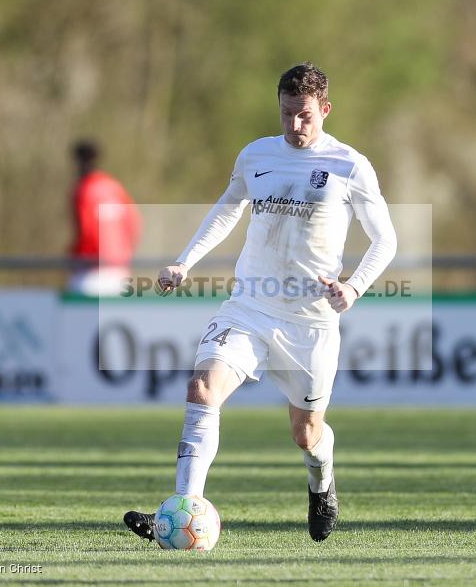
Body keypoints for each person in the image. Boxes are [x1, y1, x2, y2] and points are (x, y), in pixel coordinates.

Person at [124, 63, 396, 542]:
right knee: (202, 388)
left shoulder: (350, 165)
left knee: (306, 434)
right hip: (250, 306)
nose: (294, 126)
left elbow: (385, 240)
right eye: (287, 114)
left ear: (325, 110)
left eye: (305, 116)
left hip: (310, 321)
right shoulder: (256, 155)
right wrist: (184, 262)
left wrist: (353, 287)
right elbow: (226, 211)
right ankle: (183, 507)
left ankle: (322, 482)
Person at [68, 140, 141, 296]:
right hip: (119, 271)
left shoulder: (84, 189)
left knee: (76, 316)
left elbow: (86, 231)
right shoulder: (114, 187)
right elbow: (133, 225)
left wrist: (74, 256)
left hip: (91, 272)